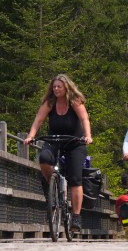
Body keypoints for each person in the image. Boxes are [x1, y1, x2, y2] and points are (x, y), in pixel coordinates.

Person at [24, 74, 93, 232]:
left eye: (59, 87)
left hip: (74, 142)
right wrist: (31, 136)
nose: (56, 89)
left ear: (66, 88)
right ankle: (52, 190)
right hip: (54, 140)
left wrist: (87, 136)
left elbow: (84, 119)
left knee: (75, 178)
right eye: (54, 86)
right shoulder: (50, 103)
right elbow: (38, 120)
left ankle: (76, 216)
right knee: (44, 158)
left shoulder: (75, 101)